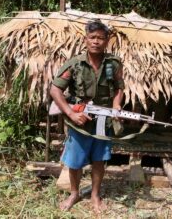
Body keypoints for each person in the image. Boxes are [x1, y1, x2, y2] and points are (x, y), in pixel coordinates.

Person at [50, 21, 124, 212]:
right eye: (92, 37)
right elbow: (55, 89)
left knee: (99, 159)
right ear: (86, 40)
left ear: (107, 41)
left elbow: (119, 88)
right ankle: (74, 194)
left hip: (104, 120)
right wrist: (71, 113)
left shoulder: (113, 64)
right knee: (75, 161)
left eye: (100, 38)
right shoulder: (75, 64)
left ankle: (95, 195)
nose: (96, 42)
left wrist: (116, 105)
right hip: (80, 121)